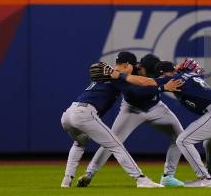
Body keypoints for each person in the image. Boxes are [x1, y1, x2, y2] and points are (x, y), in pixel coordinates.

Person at [109, 59, 211, 188]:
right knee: (210, 145)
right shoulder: (188, 76)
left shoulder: (175, 78)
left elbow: (147, 82)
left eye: (161, 75)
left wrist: (119, 75)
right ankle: (209, 177)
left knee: (182, 140)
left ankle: (205, 178)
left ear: (164, 73)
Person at [77, 54, 185, 188]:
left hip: (156, 107)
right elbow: (135, 92)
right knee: (111, 141)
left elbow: (171, 73)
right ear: (140, 67)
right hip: (131, 110)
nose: (154, 74)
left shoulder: (156, 67)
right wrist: (162, 87)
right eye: (151, 72)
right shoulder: (126, 72)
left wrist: (180, 70)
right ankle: (89, 173)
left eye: (156, 72)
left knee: (180, 136)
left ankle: (168, 176)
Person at [59, 53, 163, 188]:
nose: (134, 68)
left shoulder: (105, 73)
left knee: (79, 143)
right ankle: (141, 179)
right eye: (133, 66)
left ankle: (66, 181)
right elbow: (136, 92)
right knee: (116, 146)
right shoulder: (117, 77)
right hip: (84, 113)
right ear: (127, 65)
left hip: (69, 113)